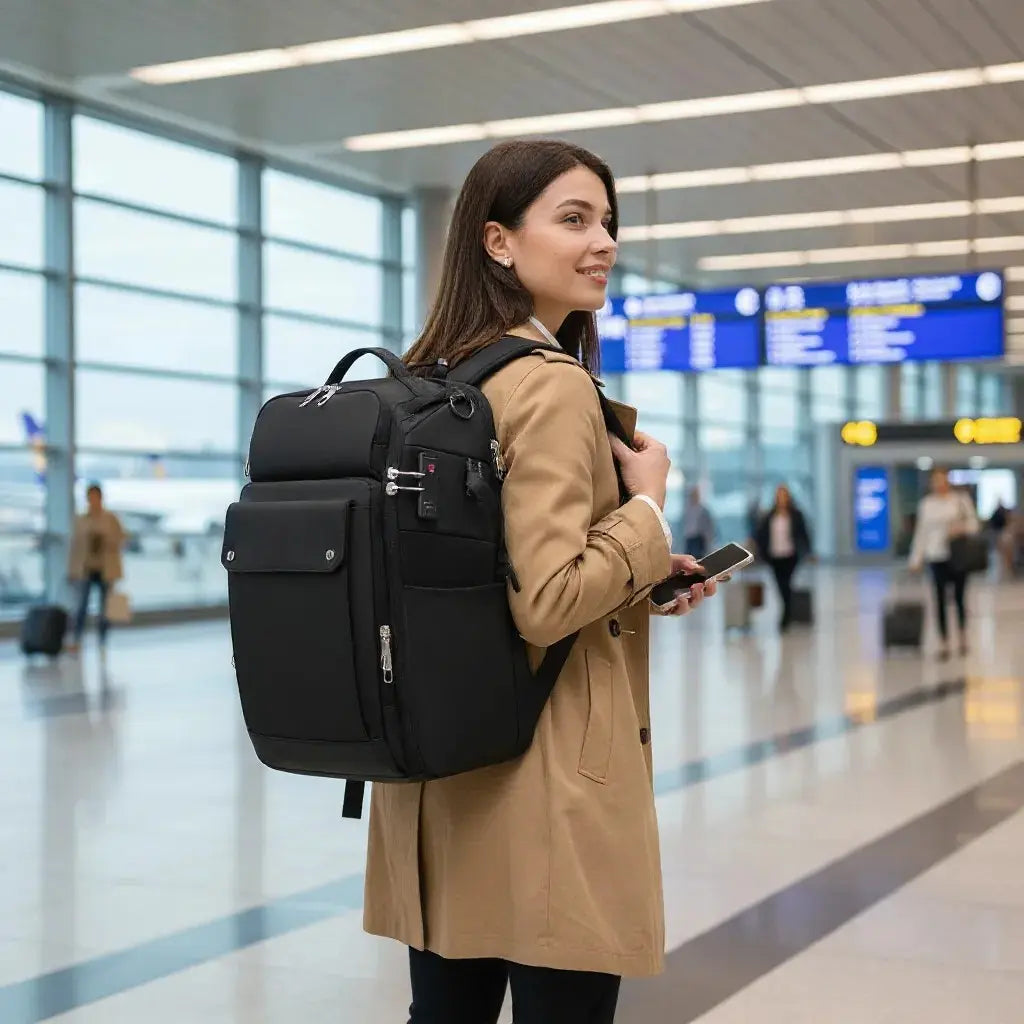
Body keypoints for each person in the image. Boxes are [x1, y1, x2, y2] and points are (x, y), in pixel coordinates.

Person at [363, 139, 719, 1024]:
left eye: (607, 221)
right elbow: (550, 600)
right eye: (573, 219)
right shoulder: (551, 385)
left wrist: (640, 576)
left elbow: (490, 571)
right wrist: (648, 510)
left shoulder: (432, 376)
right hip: (549, 768)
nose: (603, 242)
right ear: (497, 240)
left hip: (442, 764)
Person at [909, 468, 980, 657]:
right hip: (936, 555)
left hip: (957, 555)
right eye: (936, 481)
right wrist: (916, 558)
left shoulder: (960, 501)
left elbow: (974, 525)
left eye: (942, 480)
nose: (939, 484)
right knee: (939, 598)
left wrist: (961, 529)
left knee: (959, 598)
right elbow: (921, 533)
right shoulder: (926, 505)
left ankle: (963, 637)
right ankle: (944, 641)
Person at [66, 483, 125, 654]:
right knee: (81, 606)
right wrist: (72, 570)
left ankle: (103, 640)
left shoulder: (110, 519)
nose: (92, 500)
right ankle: (76, 639)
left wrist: (107, 540)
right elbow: (75, 546)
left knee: (105, 608)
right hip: (86, 569)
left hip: (106, 569)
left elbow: (122, 538)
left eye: (95, 497)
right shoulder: (81, 520)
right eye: (90, 497)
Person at [754, 484, 813, 632]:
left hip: (790, 555)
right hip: (774, 556)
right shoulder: (769, 516)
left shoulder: (796, 515)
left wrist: (808, 551)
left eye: (784, 495)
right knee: (780, 586)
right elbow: (760, 535)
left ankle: (785, 618)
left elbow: (804, 534)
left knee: (786, 585)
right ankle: (787, 613)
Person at [682, 485, 714, 558]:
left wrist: (708, 539)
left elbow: (708, 526)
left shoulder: (703, 510)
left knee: (698, 557)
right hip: (689, 537)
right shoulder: (687, 510)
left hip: (698, 537)